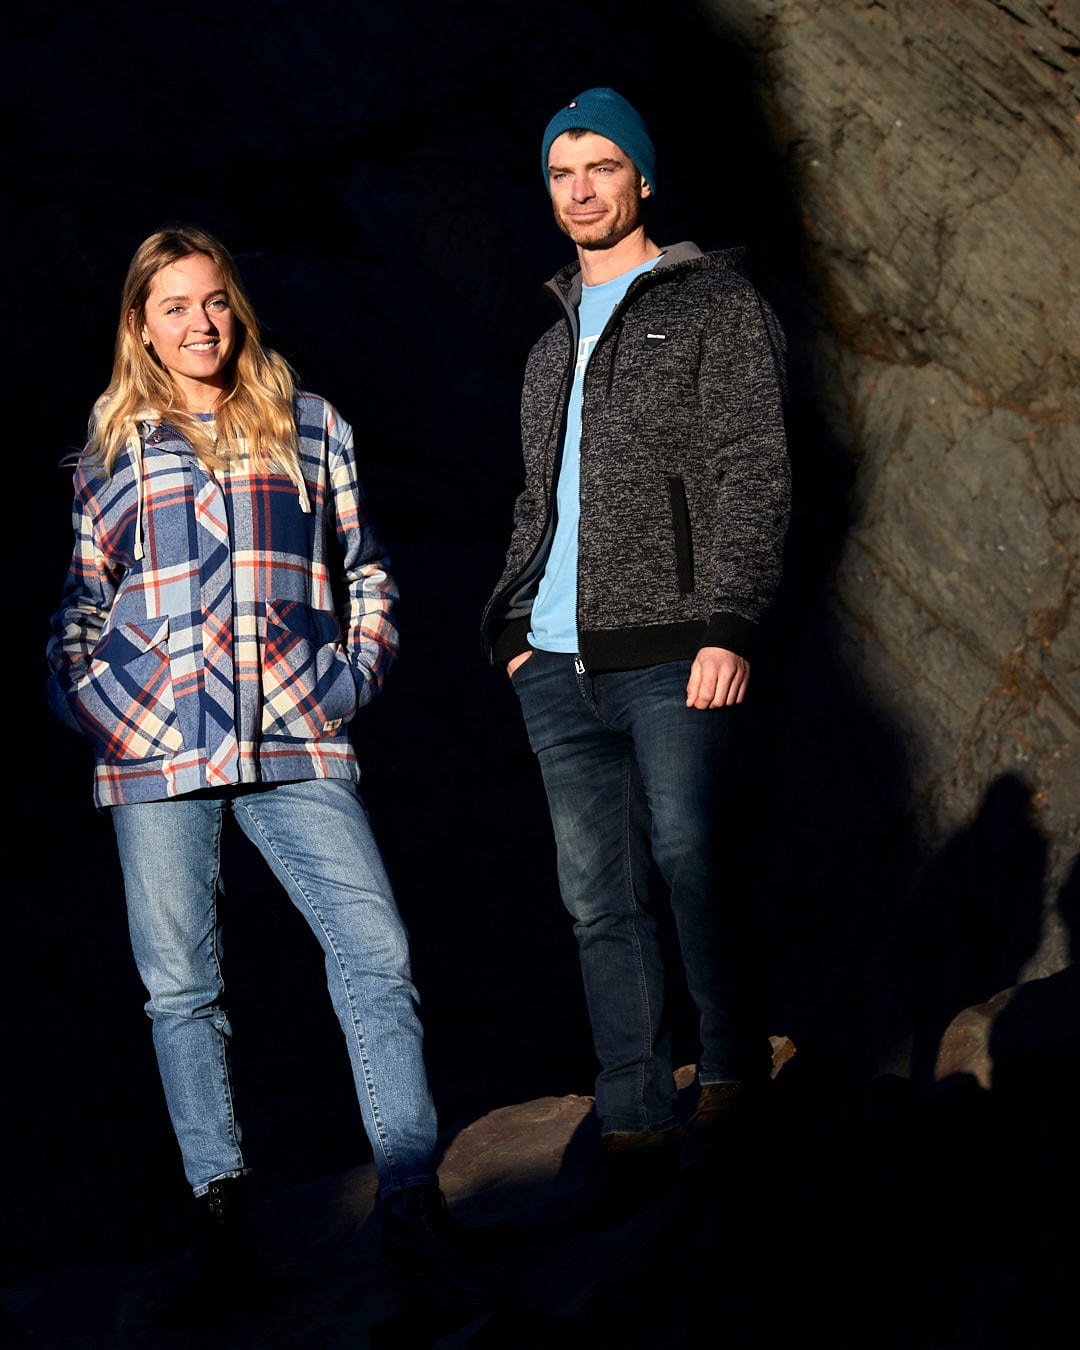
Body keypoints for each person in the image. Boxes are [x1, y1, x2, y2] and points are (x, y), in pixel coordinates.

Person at [47, 225, 504, 1310]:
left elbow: (370, 571)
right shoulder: (109, 453)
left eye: (212, 302)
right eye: (173, 307)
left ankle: (409, 1206)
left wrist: (343, 682)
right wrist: (102, 705)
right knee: (181, 991)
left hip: (294, 735)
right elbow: (81, 603)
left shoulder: (312, 427)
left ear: (234, 308)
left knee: (376, 951)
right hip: (154, 749)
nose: (198, 323)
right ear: (139, 325)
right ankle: (221, 1220)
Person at [481, 89, 792, 1214]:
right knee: (594, 895)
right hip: (556, 665)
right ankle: (630, 1110)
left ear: (643, 179)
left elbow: (754, 468)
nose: (581, 190)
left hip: (676, 648)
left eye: (602, 168)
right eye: (563, 173)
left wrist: (729, 621)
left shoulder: (714, 302)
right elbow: (536, 501)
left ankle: (733, 1072)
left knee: (694, 855)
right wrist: (515, 633)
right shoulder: (547, 339)